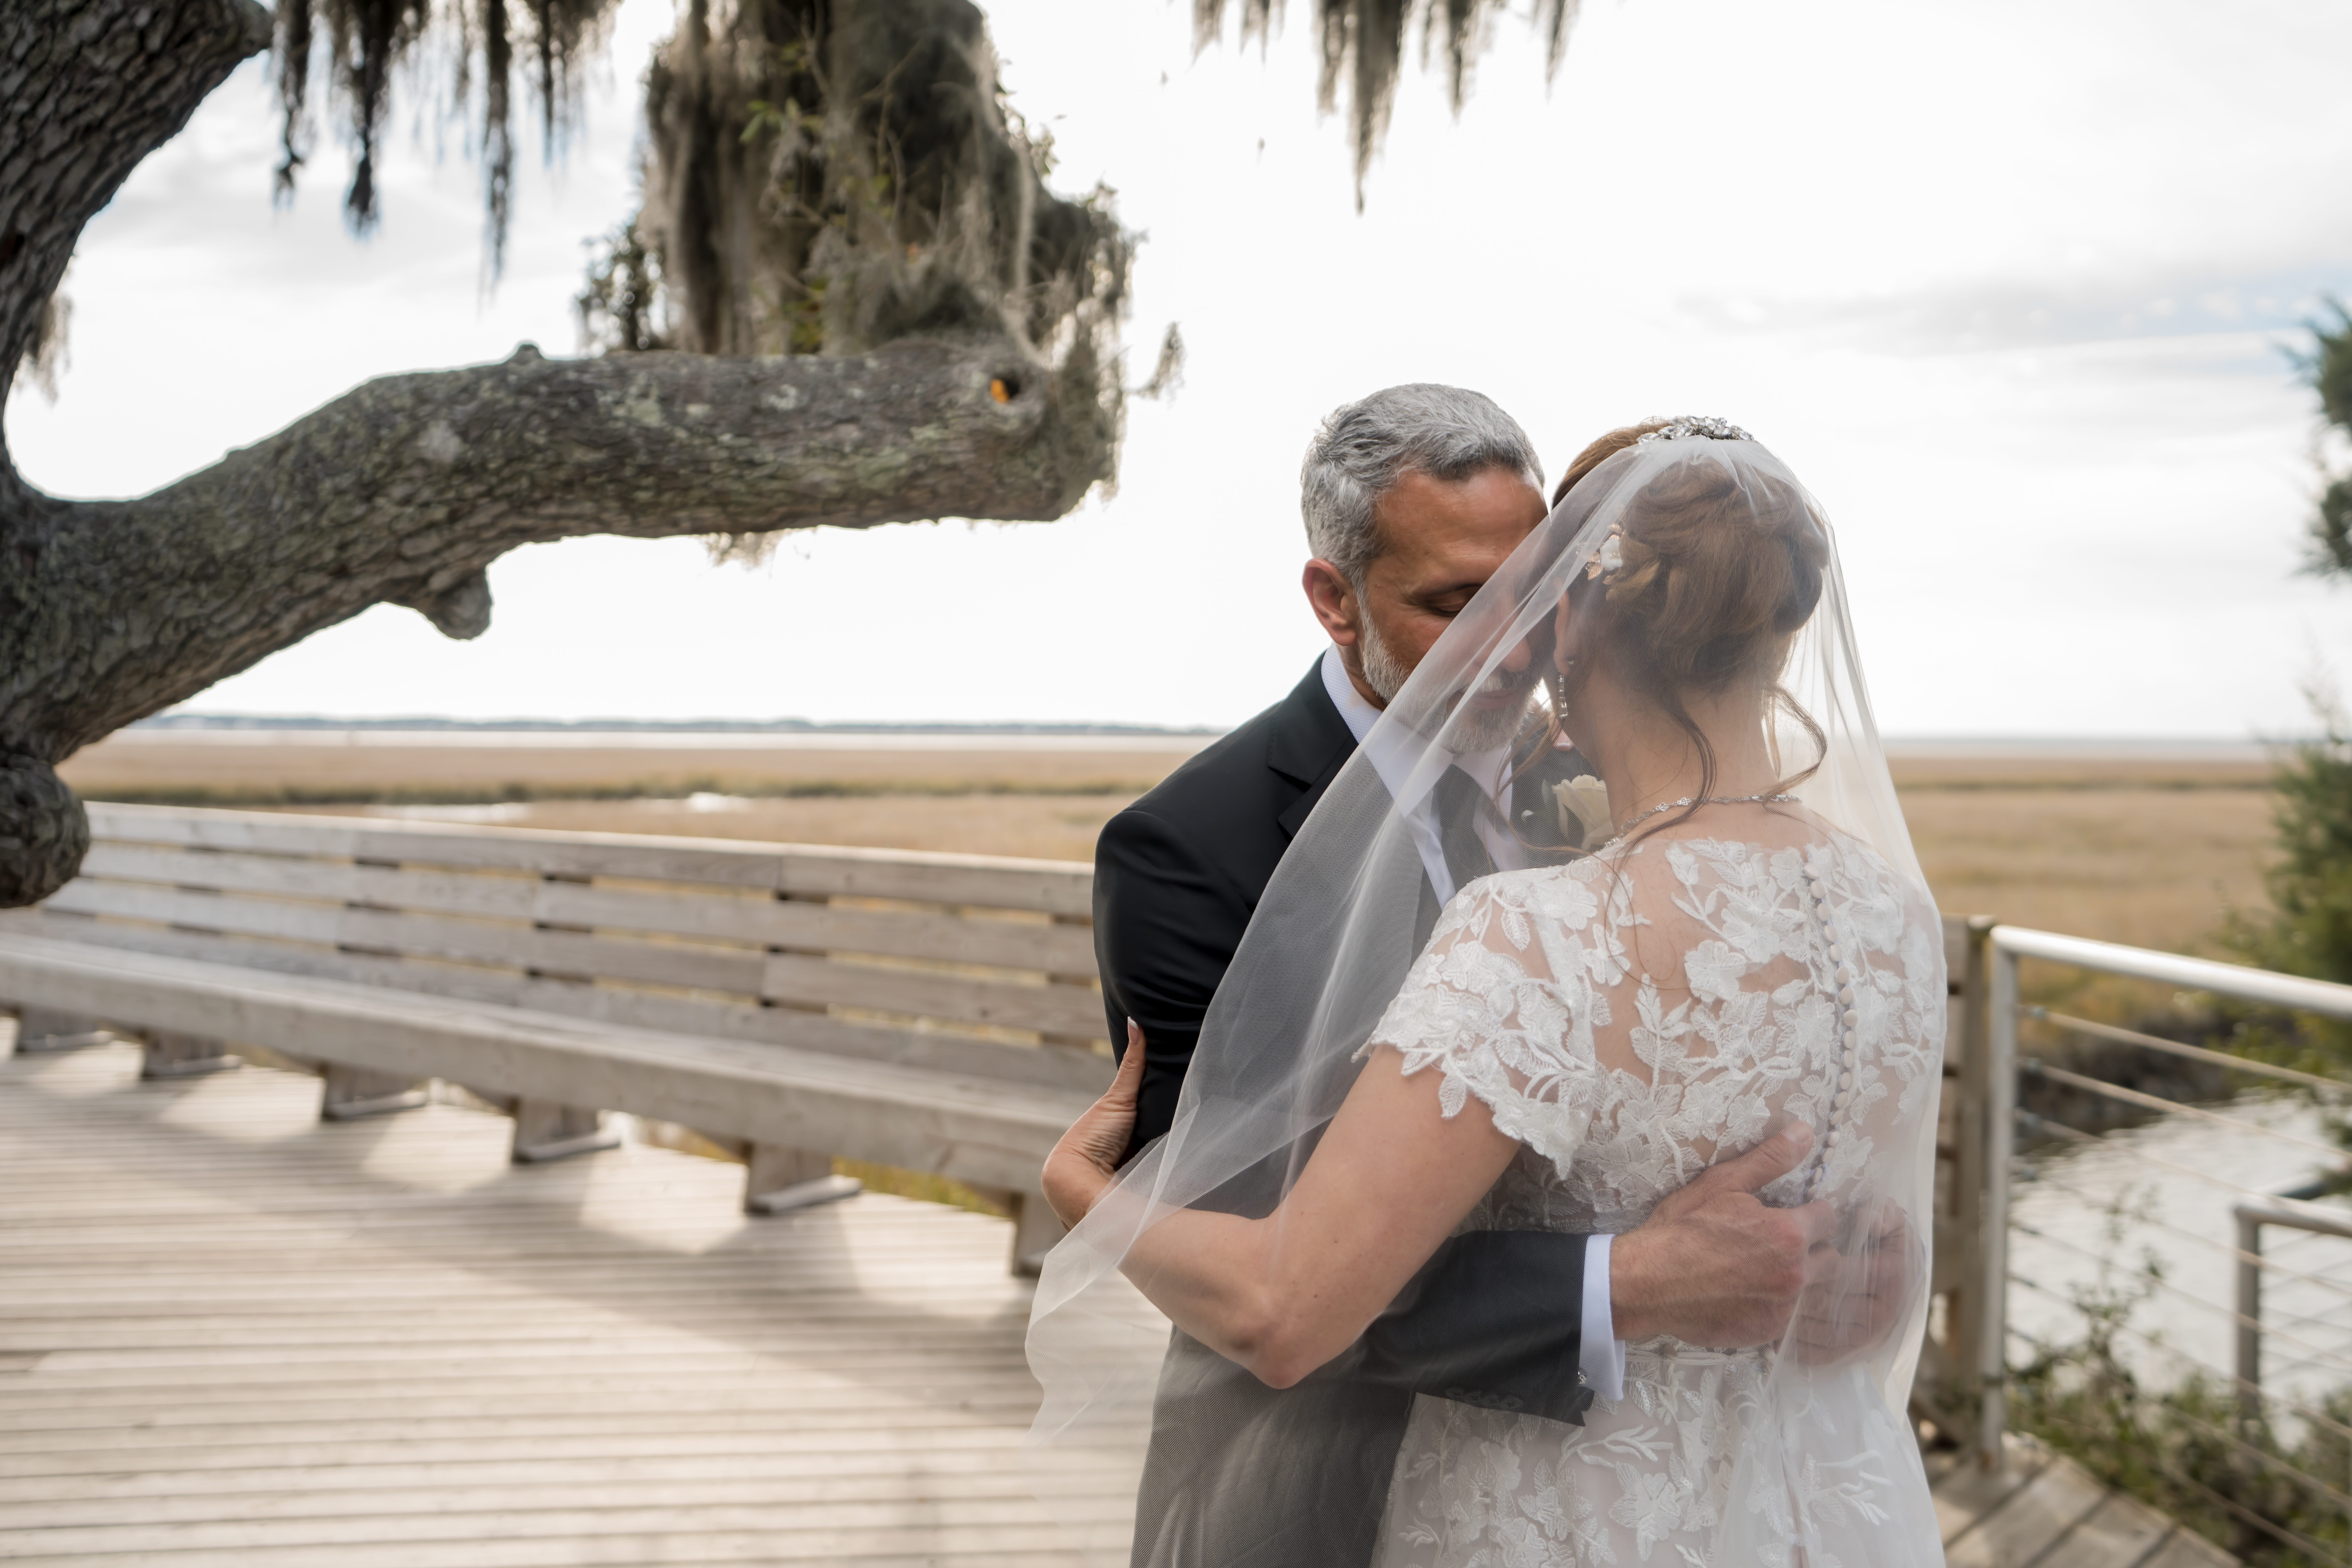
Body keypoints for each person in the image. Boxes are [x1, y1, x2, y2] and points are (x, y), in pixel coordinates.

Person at [1030, 416, 1943, 1567]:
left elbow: (1284, 1297)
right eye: (1457, 603)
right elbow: (1255, 1231)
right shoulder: (1893, 912)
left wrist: (1852, 1261)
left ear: (1575, 615)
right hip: (1356, 1491)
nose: (1507, 647)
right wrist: (1630, 1283)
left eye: (1529, 594)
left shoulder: (1545, 914)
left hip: (1574, 1510)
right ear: (1336, 595)